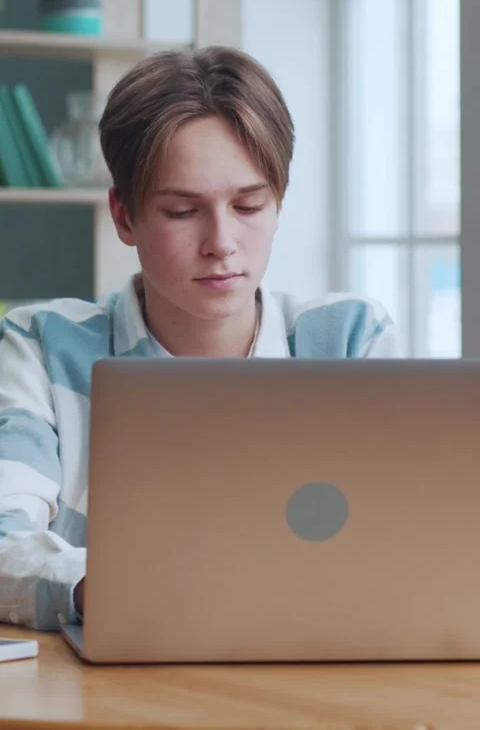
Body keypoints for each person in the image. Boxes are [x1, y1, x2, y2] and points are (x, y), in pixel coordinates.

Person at [0, 46, 401, 631]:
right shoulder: (41, 344)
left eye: (248, 205)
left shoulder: (348, 339)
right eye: (184, 211)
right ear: (125, 216)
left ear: (278, 204)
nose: (222, 242)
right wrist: (117, 588)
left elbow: (411, 539)